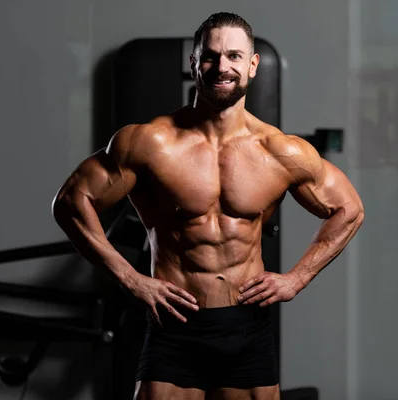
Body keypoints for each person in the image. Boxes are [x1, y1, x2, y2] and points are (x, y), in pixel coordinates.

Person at [52, 12, 364, 400]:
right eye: (211, 56)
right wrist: (132, 279)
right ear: (194, 64)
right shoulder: (150, 143)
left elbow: (348, 209)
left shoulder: (280, 151)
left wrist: (296, 279)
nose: (222, 67)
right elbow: (70, 202)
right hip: (175, 326)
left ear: (252, 65)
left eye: (234, 56)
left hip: (246, 328)